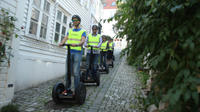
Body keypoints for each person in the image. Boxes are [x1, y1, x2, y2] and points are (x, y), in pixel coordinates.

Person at [59, 15, 86, 95]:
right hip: (70, 52)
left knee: (76, 72)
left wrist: (78, 44)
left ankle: (76, 90)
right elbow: (66, 38)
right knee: (68, 72)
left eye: (76, 20)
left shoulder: (82, 31)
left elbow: (83, 40)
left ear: (79, 21)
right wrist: (62, 42)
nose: (74, 22)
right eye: (73, 20)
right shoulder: (70, 30)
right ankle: (67, 89)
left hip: (77, 52)